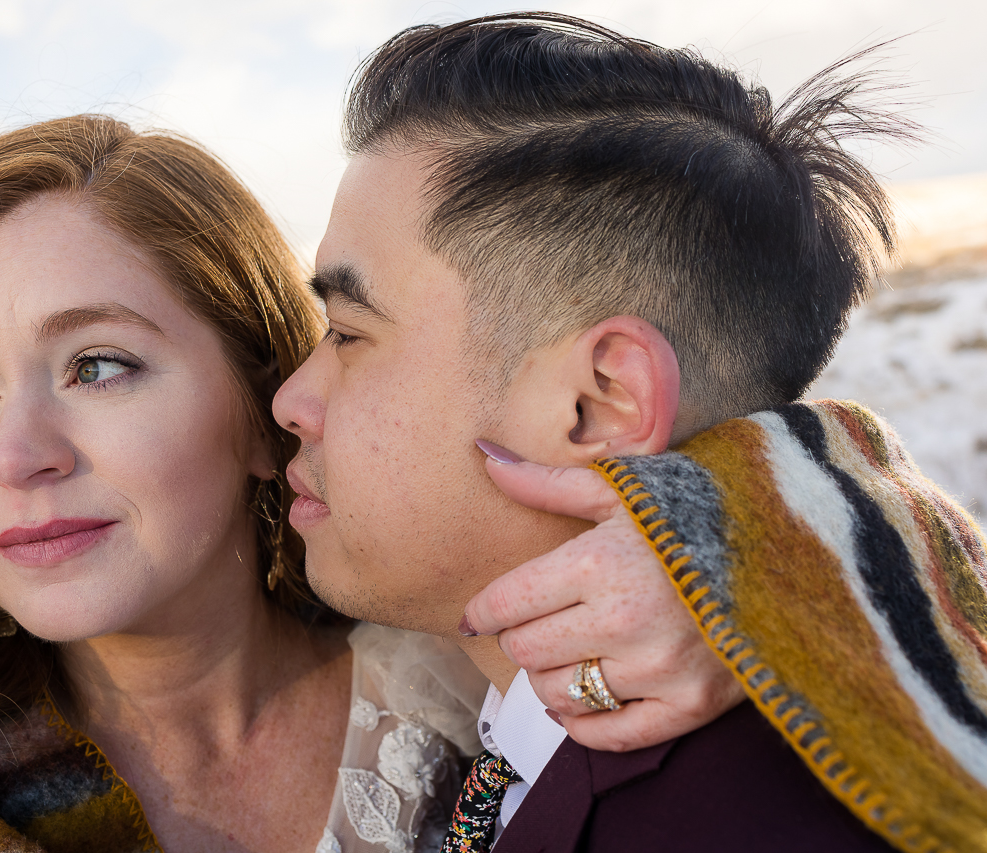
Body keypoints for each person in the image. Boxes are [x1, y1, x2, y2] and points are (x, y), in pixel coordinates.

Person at [0, 115, 734, 853]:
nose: (13, 456)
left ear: (263, 405)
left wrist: (743, 569)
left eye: (97, 364)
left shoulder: (503, 705)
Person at [274, 12, 987, 853]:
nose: (291, 398)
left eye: (350, 333)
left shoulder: (761, 823)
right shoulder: (511, 745)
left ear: (600, 402)